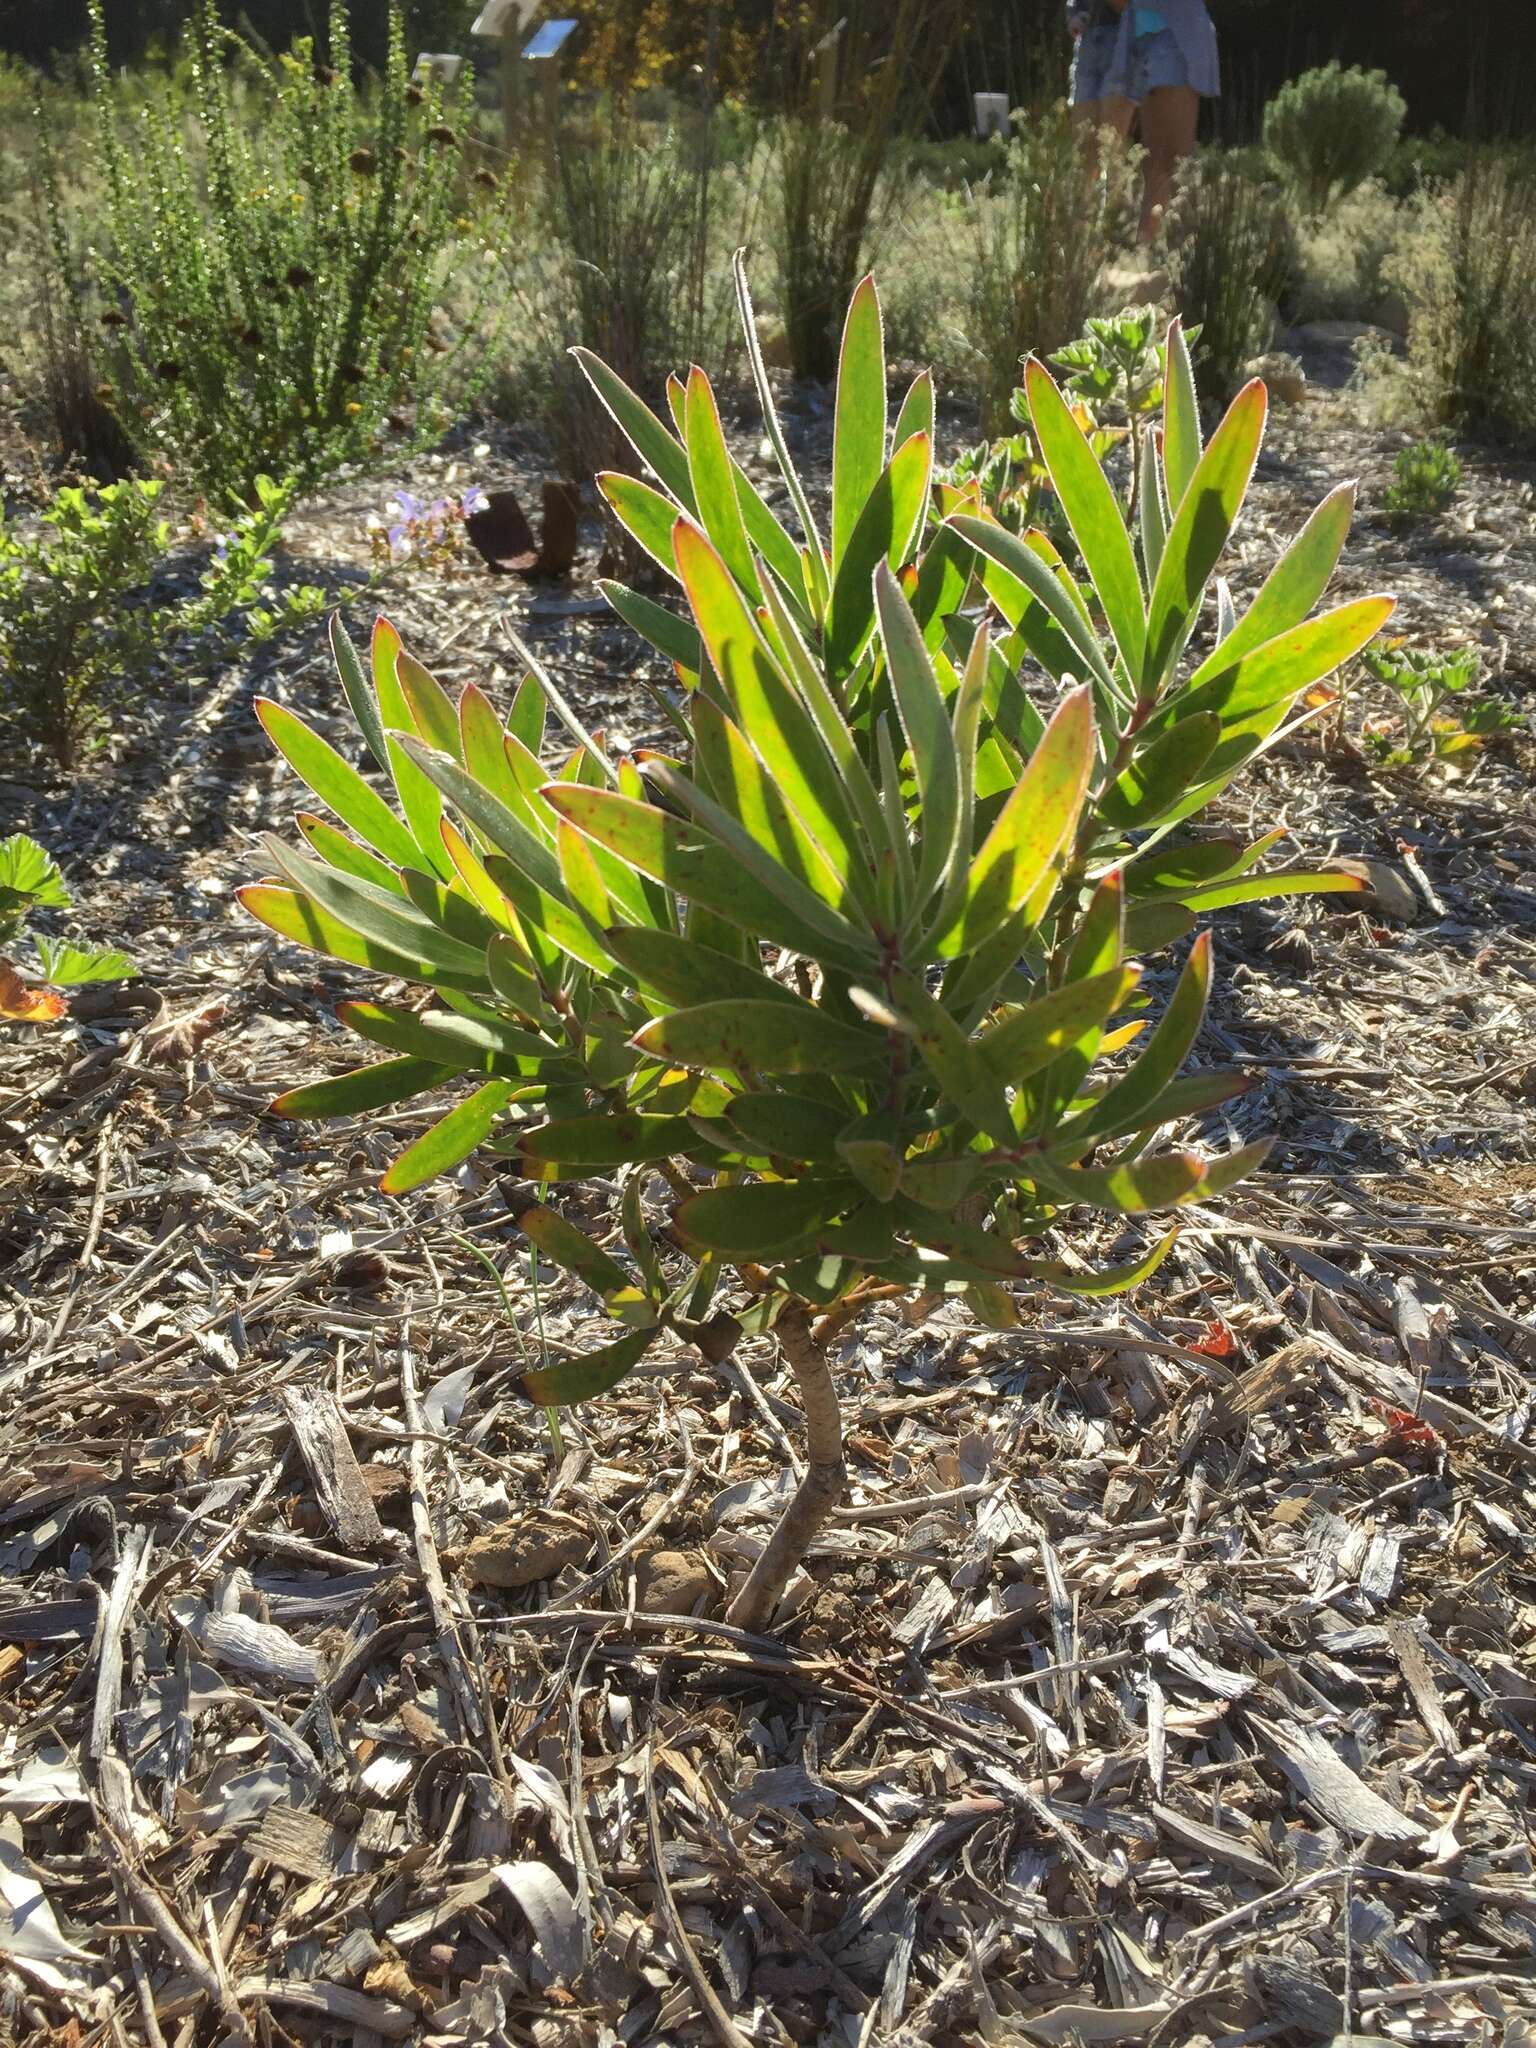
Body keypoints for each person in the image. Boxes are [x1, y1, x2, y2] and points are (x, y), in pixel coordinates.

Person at [1068, 0, 1220, 241]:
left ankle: (1163, 252)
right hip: (1141, 37)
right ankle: (1145, 249)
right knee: (1154, 162)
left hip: (1175, 34)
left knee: (1171, 162)